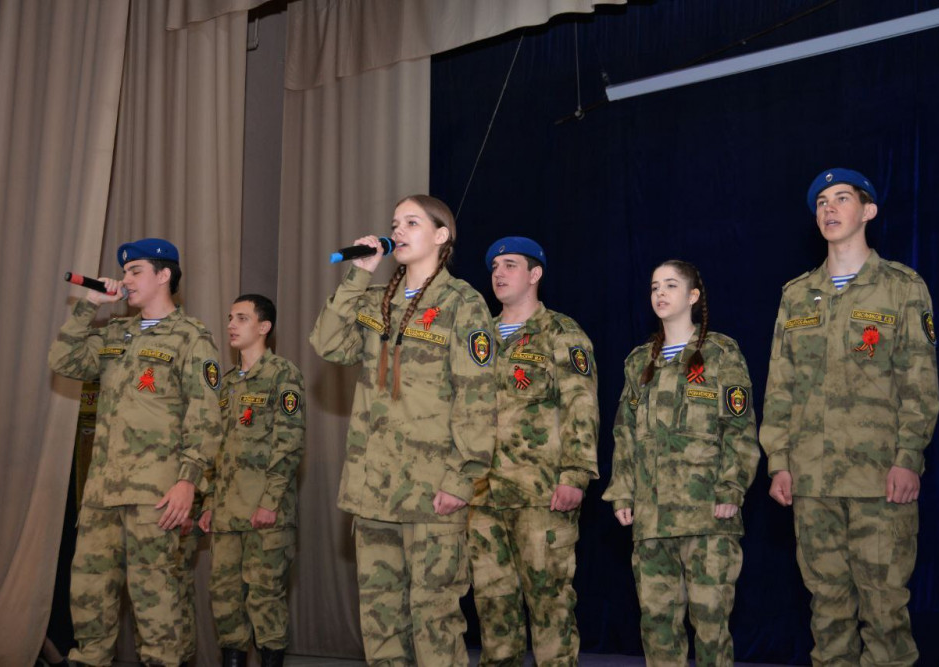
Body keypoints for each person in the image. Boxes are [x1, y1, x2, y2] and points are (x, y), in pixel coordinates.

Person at [760, 168, 939, 665]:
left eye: (842, 198)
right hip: (812, 481)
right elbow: (781, 385)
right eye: (821, 202)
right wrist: (779, 461)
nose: (829, 209)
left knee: (885, 612)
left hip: (879, 477)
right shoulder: (796, 294)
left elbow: (919, 382)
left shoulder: (902, 287)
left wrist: (908, 457)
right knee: (827, 611)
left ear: (868, 211)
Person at [309, 195, 496, 665]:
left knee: (434, 623)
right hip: (373, 489)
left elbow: (477, 399)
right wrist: (359, 274)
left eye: (412, 222)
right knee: (381, 624)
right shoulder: (377, 299)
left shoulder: (462, 304)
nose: (398, 231)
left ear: (441, 236)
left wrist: (461, 479)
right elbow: (328, 344)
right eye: (395, 223)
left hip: (431, 490)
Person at [48, 238, 223, 667]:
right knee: (89, 593)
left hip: (155, 495)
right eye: (124, 272)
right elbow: (63, 361)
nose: (125, 280)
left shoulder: (191, 337)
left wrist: (188, 482)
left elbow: (205, 417)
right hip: (102, 492)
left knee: (155, 599)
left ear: (164, 275)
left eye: (135, 271)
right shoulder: (115, 333)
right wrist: (89, 305)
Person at [603, 259, 759, 667]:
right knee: (657, 626)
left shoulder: (720, 353)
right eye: (655, 286)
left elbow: (739, 427)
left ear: (693, 296)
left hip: (707, 514)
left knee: (711, 625)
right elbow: (625, 432)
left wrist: (731, 488)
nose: (660, 293)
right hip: (652, 517)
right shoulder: (639, 361)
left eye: (671, 285)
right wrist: (622, 492)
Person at [469, 237, 599, 666]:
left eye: (510, 265)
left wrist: (575, 475)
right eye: (494, 267)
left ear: (535, 274)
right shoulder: (478, 336)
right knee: (493, 610)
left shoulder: (562, 332)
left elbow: (581, 407)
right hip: (482, 495)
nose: (499, 274)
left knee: (550, 608)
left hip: (541, 495)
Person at [198, 294, 306, 667]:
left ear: (264, 327)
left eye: (242, 318)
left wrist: (270, 502)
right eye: (230, 317)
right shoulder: (226, 384)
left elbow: (289, 444)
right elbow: (217, 449)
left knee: (265, 600)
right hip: (227, 514)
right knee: (225, 601)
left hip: (265, 515)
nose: (231, 324)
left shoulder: (283, 374)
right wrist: (209, 503)